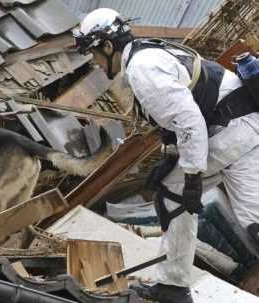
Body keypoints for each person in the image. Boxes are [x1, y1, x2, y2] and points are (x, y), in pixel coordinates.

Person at [73, 8, 259, 303]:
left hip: (231, 133)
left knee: (174, 193)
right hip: (241, 130)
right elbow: (183, 121)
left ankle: (172, 286)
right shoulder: (150, 53)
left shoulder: (142, 69)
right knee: (251, 220)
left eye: (94, 54)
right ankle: (172, 285)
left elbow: (190, 122)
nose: (95, 63)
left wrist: (192, 177)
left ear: (107, 47)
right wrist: (172, 158)